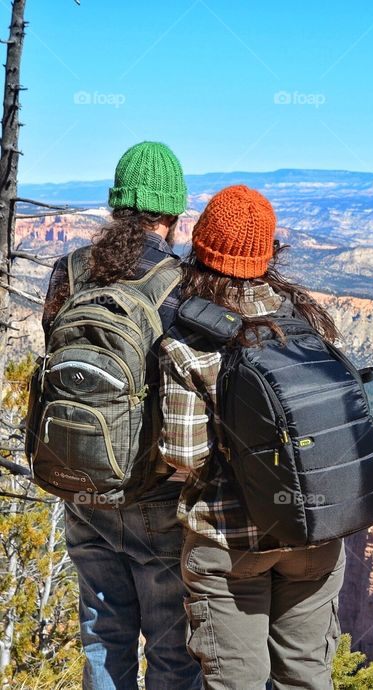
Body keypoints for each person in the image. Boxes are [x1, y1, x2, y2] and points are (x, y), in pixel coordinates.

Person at [157, 185, 345, 690]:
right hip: (316, 531)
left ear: (200, 248)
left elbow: (187, 457)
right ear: (269, 253)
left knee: (236, 682)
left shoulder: (188, 341)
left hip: (230, 542)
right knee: (307, 676)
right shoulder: (307, 320)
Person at [41, 141, 201, 689]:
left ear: (116, 207)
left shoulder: (70, 270)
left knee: (103, 639)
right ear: (173, 216)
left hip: (79, 479)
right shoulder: (180, 284)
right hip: (153, 490)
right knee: (172, 650)